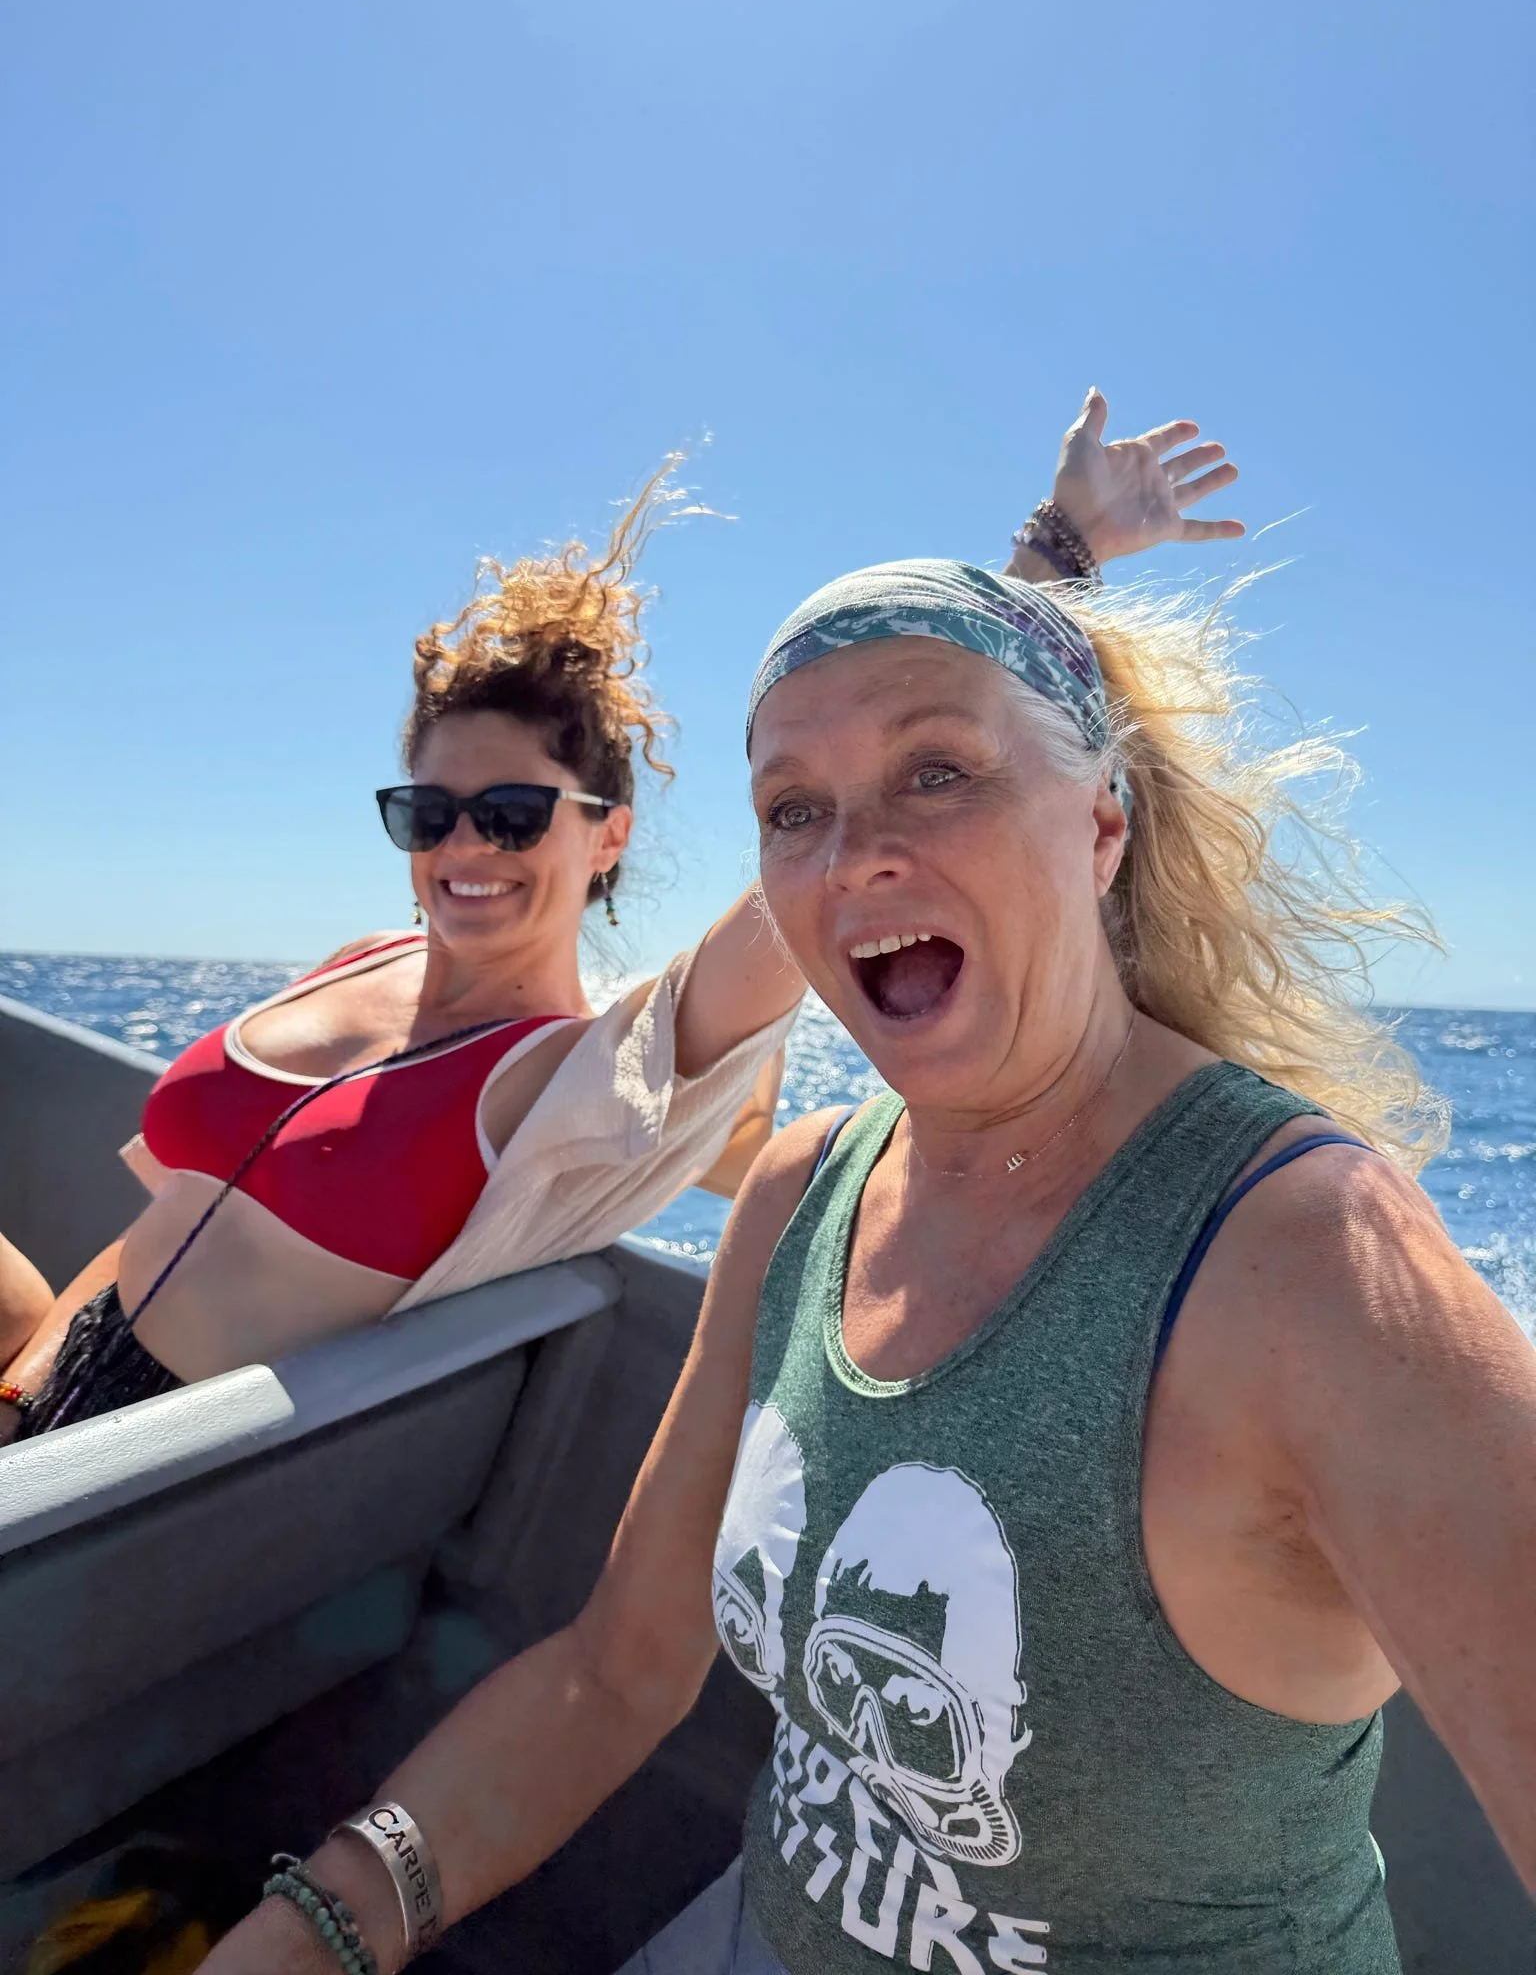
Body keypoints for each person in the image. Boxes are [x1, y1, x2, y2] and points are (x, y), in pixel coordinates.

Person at [200, 525, 1536, 1973]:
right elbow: (616, 1671)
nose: (853, 858)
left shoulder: (1308, 1270)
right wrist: (331, 1922)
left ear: (1103, 824)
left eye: (937, 772)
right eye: (791, 809)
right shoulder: (795, 1199)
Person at [0, 392, 1240, 1442]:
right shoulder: (355, 966)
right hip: (52, 1366)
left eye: (511, 812)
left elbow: (813, 883)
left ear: (609, 831)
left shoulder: (572, 1081)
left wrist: (1050, 557)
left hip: (117, 1471)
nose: (463, 847)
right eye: (425, 812)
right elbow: (168, 1219)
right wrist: (34, 1365)